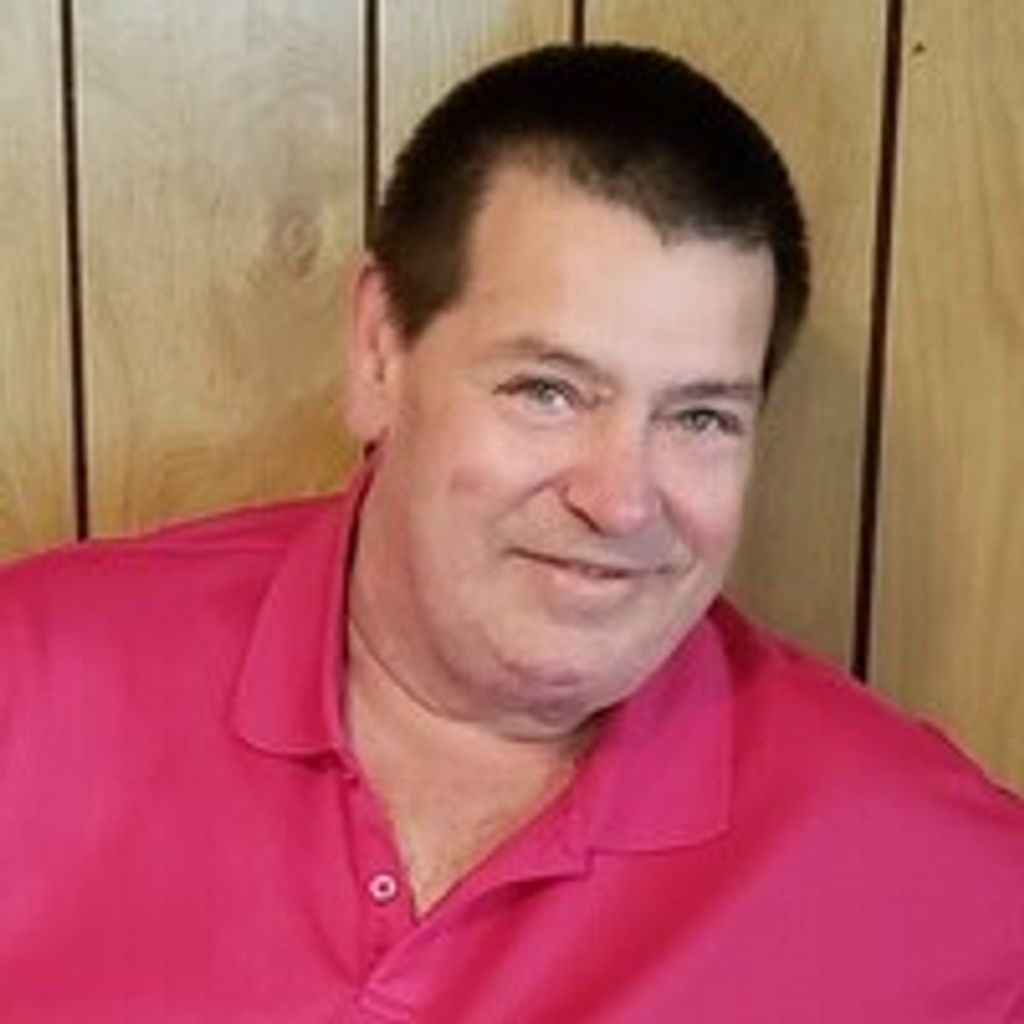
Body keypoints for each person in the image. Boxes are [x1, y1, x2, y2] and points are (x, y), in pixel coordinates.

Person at [1, 43, 1021, 1023]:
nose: (620, 501)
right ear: (379, 350)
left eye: (700, 417)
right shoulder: (31, 687)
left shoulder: (928, 869)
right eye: (547, 391)